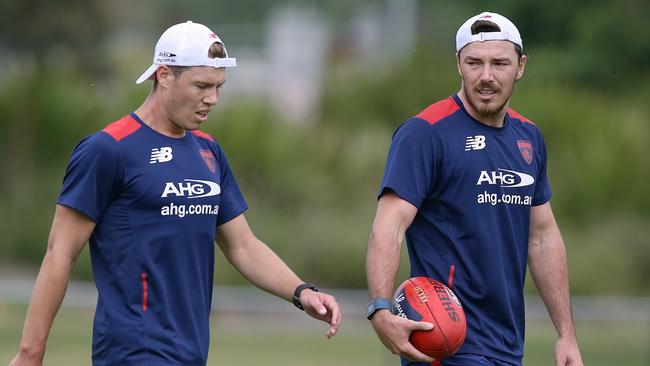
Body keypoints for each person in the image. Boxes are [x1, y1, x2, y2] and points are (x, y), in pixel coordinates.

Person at [11, 20, 341, 366]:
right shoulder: (109, 149)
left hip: (192, 353)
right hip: (132, 353)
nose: (212, 99)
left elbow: (244, 246)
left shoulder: (209, 152)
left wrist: (302, 292)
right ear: (164, 75)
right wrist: (31, 352)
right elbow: (60, 252)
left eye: (218, 87)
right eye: (201, 85)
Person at [365, 12, 583, 366]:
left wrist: (567, 335)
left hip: (508, 344)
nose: (486, 76)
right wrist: (380, 308)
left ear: (521, 66)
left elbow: (542, 238)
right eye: (474, 63)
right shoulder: (425, 133)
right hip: (444, 340)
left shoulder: (529, 138)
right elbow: (389, 226)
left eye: (499, 63)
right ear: (458, 64)